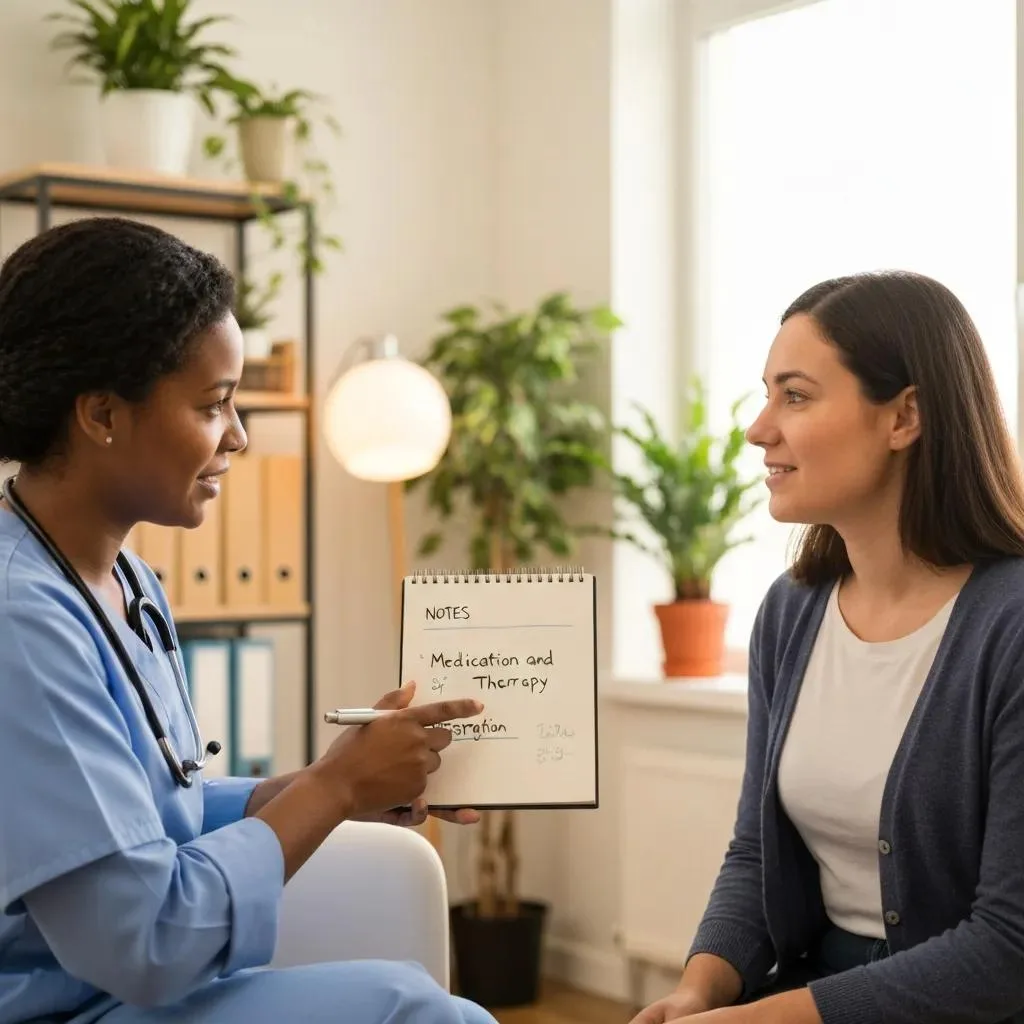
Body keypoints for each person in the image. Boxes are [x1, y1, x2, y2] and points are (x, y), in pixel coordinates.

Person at [0, 216, 498, 1024]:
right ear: (101, 415)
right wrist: (333, 789)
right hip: (62, 1008)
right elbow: (147, 941)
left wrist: (324, 786)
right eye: (214, 405)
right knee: (422, 1013)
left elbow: (154, 812)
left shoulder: (131, 583)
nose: (237, 437)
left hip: (120, 998)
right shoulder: (20, 622)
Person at [630, 270, 1024, 1024]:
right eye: (767, 393)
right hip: (808, 994)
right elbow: (756, 852)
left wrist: (753, 1020)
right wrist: (698, 991)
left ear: (904, 416)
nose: (758, 428)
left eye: (796, 395)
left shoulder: (1010, 627)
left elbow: (1008, 948)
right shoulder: (792, 612)